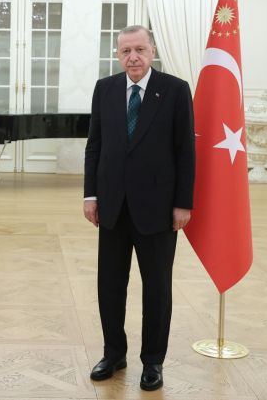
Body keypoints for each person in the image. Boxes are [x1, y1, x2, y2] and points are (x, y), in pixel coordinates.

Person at [83, 25, 195, 391]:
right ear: (118, 54)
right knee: (110, 286)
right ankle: (114, 353)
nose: (133, 57)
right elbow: (95, 145)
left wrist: (183, 203)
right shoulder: (105, 89)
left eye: (140, 50)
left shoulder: (175, 90)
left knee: (157, 290)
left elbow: (185, 151)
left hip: (158, 210)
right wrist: (90, 195)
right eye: (125, 51)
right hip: (112, 207)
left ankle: (153, 362)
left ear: (152, 51)